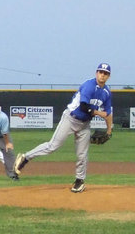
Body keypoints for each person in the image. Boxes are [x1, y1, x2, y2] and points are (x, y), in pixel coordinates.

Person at [15, 63, 113, 193]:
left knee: (82, 154)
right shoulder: (89, 85)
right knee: (52, 146)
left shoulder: (106, 92)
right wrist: (100, 113)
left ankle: (79, 181)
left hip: (85, 124)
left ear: (108, 76)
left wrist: (109, 131)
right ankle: (25, 158)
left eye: (105, 73)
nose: (102, 75)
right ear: (96, 73)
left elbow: (109, 112)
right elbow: (84, 107)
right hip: (70, 119)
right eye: (100, 72)